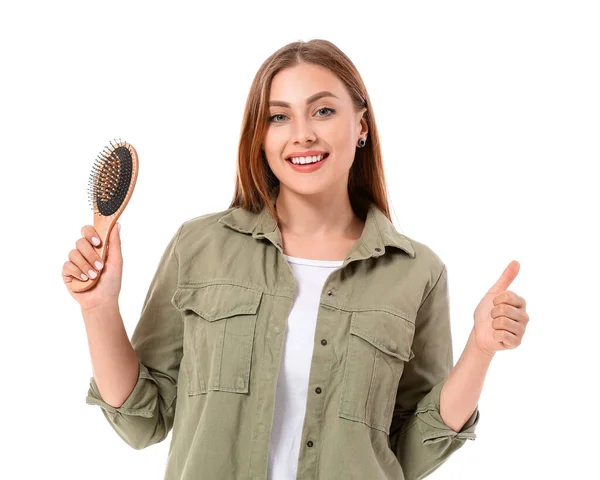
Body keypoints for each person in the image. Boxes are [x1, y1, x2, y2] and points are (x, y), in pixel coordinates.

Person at [63, 39, 492, 480]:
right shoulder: (199, 245)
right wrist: (98, 308)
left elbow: (411, 454)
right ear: (261, 135)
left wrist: (480, 350)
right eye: (279, 116)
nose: (301, 133)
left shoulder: (416, 271)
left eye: (323, 111)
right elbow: (141, 423)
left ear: (361, 125)